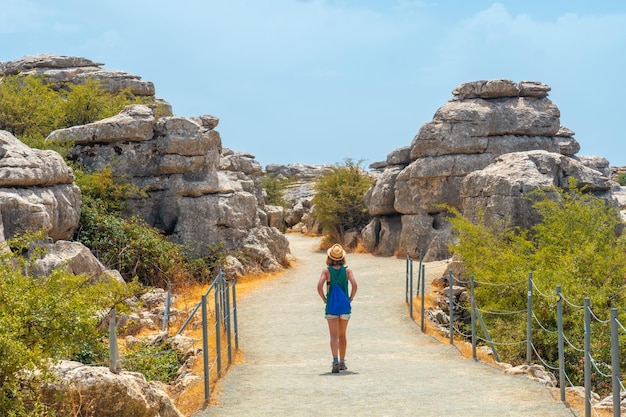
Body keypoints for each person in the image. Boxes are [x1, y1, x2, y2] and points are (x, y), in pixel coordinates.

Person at [317, 243, 358, 373]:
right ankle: (342, 362)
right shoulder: (347, 270)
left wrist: (324, 299)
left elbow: (319, 286)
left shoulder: (326, 271)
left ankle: (334, 360)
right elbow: (355, 285)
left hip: (331, 307)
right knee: (342, 335)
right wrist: (350, 298)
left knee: (333, 335)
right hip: (344, 307)